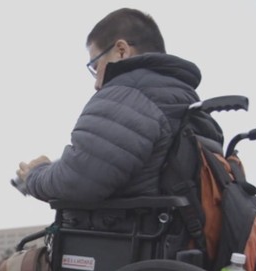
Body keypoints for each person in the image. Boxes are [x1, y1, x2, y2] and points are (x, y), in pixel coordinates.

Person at [14, 8, 204, 204]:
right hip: (173, 229)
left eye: (96, 66)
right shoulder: (184, 99)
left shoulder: (129, 95)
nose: (97, 83)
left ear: (121, 50)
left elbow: (77, 182)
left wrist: (35, 175)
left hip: (124, 231)